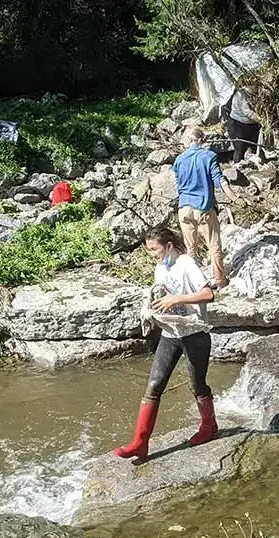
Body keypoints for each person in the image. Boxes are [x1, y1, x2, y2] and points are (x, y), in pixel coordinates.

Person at [114, 226, 219, 461]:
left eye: (155, 249)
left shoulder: (186, 264)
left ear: (169, 245)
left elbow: (208, 295)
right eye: (149, 249)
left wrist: (176, 299)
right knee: (153, 385)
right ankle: (140, 443)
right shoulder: (160, 268)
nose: (152, 253)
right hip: (170, 333)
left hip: (194, 333)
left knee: (197, 386)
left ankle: (209, 427)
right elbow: (162, 295)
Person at [174, 127, 239, 289]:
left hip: (184, 208)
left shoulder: (179, 160)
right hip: (203, 207)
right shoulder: (208, 156)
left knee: (191, 249)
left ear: (187, 142)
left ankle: (195, 283)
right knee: (213, 244)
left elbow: (178, 184)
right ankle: (220, 280)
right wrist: (234, 197)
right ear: (203, 140)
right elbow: (218, 179)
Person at [226, 84, 261, 164]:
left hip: (252, 125)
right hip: (237, 124)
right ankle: (237, 170)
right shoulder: (241, 94)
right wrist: (261, 119)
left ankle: (255, 166)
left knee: (256, 147)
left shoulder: (257, 93)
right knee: (239, 149)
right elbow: (247, 112)